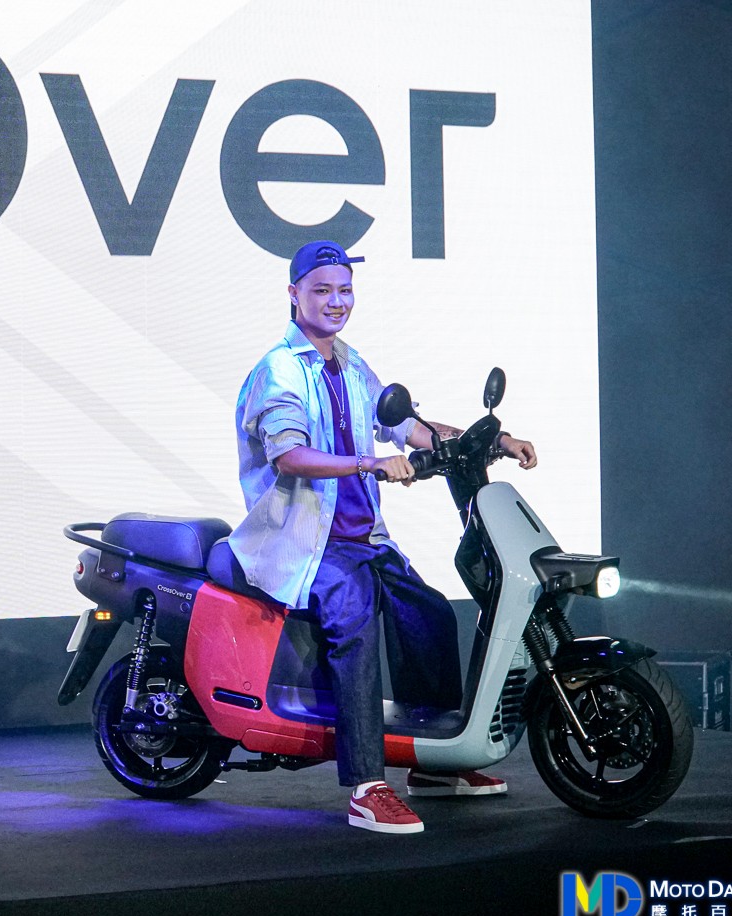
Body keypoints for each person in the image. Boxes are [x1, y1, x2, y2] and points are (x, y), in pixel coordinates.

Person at [227, 240, 537, 835]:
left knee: (430, 614)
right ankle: (367, 786)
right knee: (355, 625)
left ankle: (434, 765)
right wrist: (366, 464)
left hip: (363, 539)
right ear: (294, 294)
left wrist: (493, 441)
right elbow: (289, 456)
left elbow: (407, 427)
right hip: (305, 543)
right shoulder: (279, 371)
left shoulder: (350, 363)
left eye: (344, 290)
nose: (336, 301)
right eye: (322, 290)